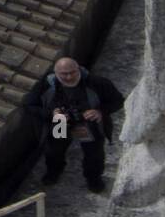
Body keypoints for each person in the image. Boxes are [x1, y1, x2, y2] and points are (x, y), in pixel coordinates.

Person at [25, 58, 124, 193]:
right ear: (56, 73)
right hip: (60, 123)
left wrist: (100, 111)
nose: (69, 77)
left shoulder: (97, 83)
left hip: (87, 124)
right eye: (64, 74)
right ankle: (54, 172)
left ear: (79, 69)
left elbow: (118, 100)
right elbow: (30, 105)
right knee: (54, 151)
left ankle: (93, 179)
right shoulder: (46, 85)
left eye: (72, 72)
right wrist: (51, 114)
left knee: (94, 154)